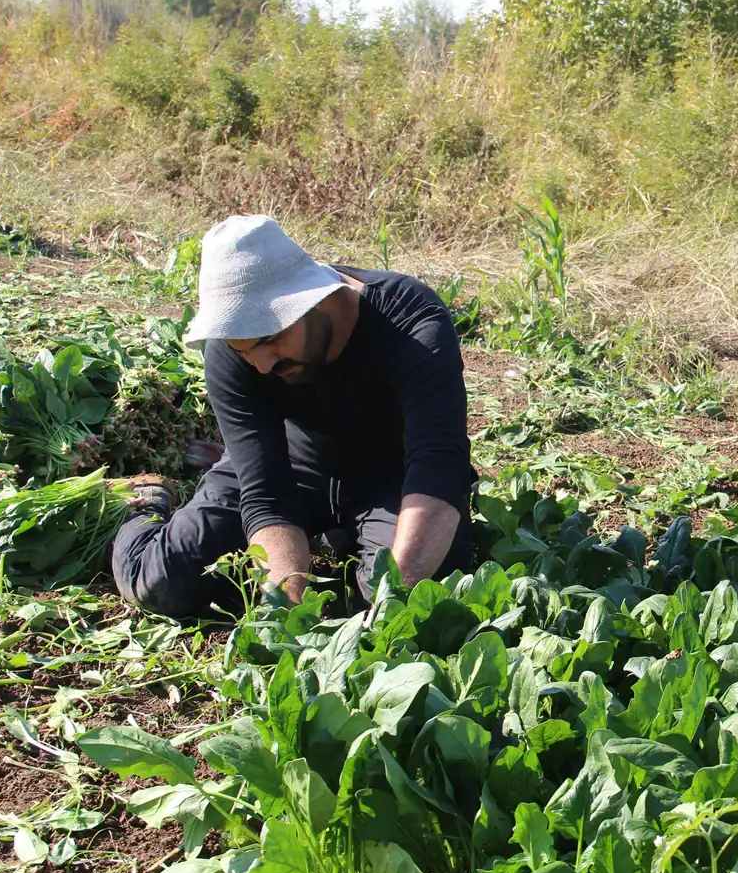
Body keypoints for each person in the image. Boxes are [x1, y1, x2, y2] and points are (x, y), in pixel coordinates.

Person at [110, 215, 476, 616]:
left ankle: (343, 536)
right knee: (162, 584)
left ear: (315, 299)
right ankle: (146, 505)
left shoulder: (409, 320)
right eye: (244, 349)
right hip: (285, 464)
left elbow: (438, 465)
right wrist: (291, 605)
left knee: (419, 585)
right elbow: (266, 492)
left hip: (389, 477)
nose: (262, 365)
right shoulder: (235, 352)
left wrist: (393, 606)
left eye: (271, 339)